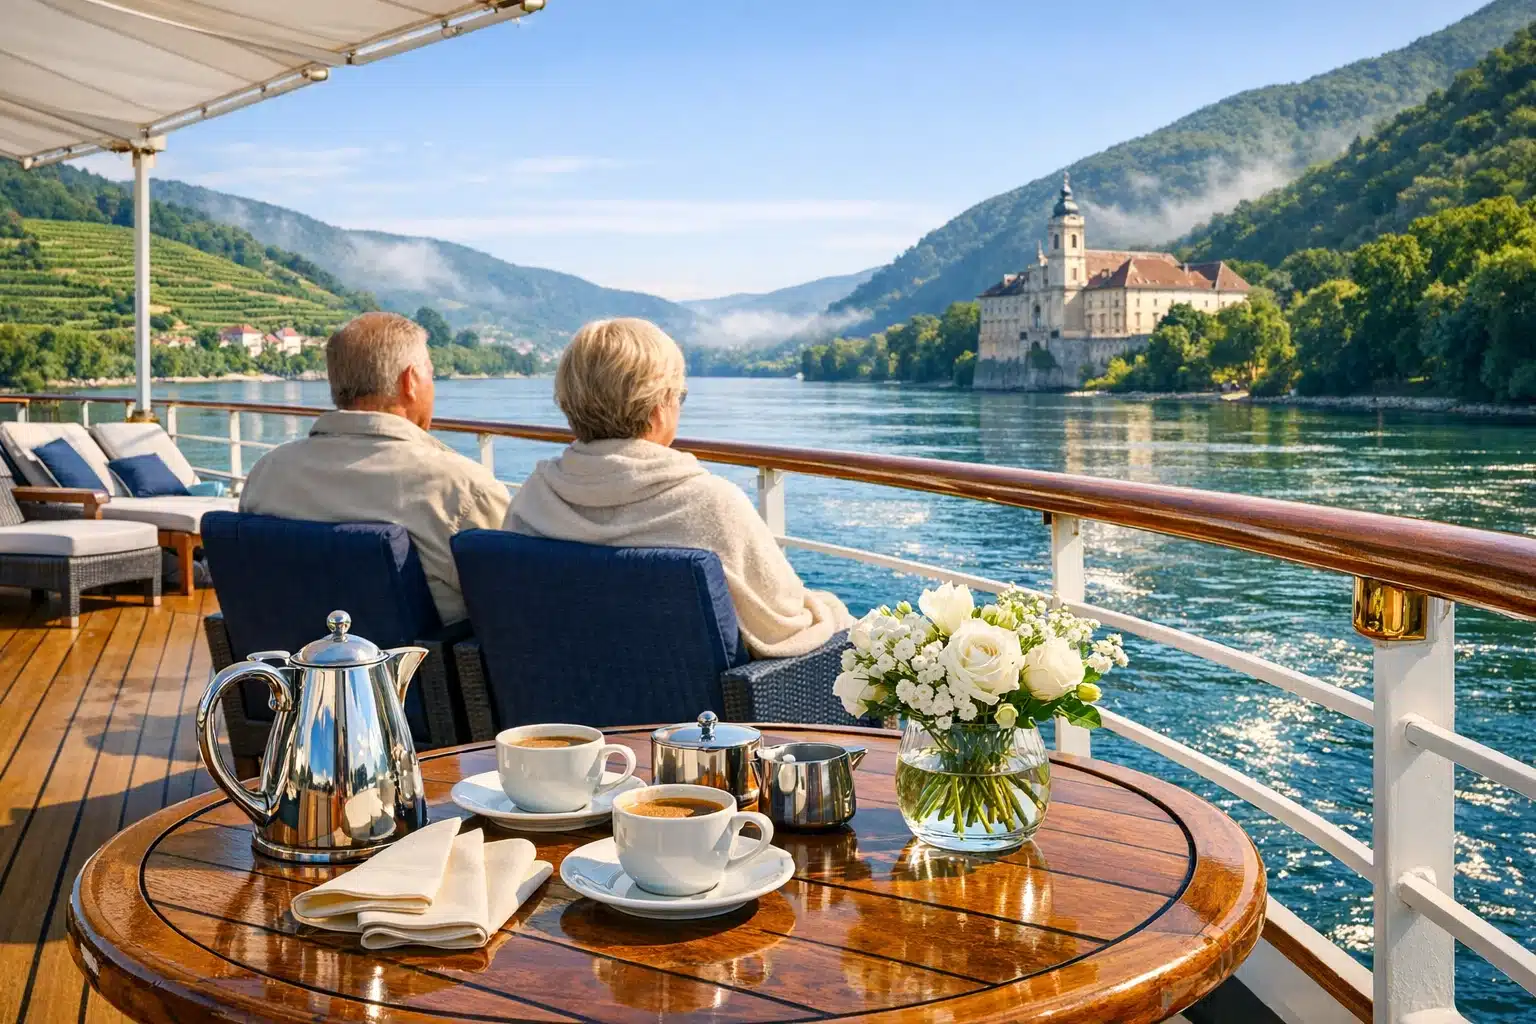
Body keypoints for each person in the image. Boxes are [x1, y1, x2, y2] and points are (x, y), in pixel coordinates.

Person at [505, 317, 852, 657]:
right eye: (678, 396)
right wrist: (834, 612)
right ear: (659, 407)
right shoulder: (711, 505)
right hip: (694, 698)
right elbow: (784, 628)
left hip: (557, 691)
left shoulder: (532, 499)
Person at [241, 312, 509, 624]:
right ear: (410, 381)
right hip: (420, 658)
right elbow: (516, 605)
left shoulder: (266, 474)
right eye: (430, 374)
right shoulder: (462, 490)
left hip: (288, 654)